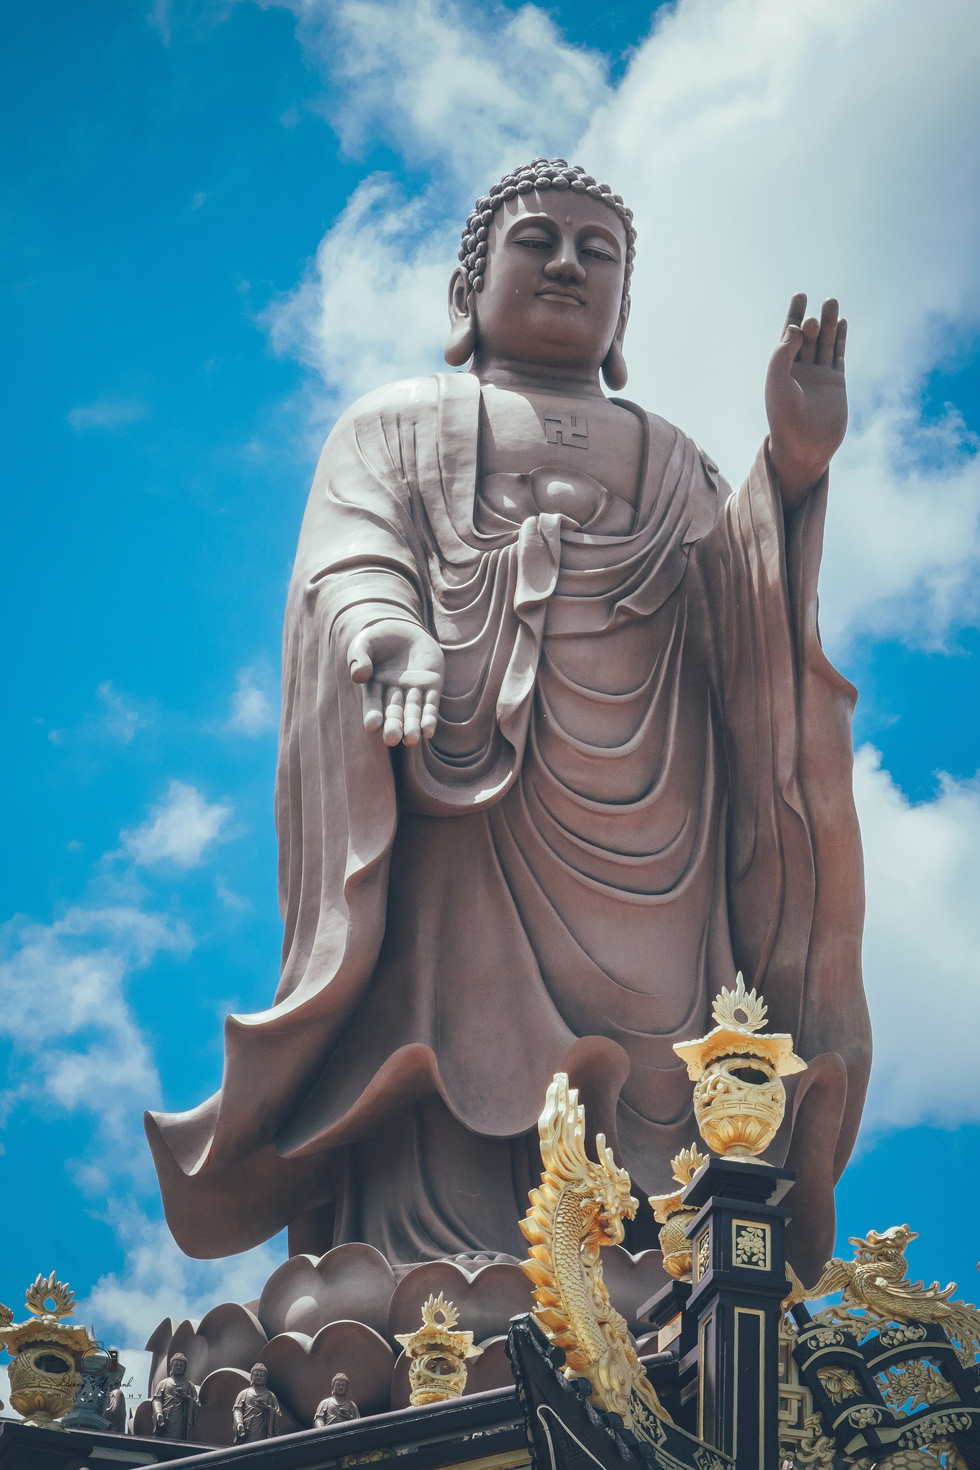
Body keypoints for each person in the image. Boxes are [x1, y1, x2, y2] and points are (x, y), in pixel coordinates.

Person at [146, 157, 869, 1286]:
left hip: (657, 834)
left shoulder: (674, 455)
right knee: (450, 1028)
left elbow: (739, 613)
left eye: (598, 252)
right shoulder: (395, 424)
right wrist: (388, 630)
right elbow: (348, 552)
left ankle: (656, 1269)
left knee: (663, 1057)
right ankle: (430, 1264)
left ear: (623, 307)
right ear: (466, 289)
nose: (569, 264)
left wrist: (790, 467)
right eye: (538, 241)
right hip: (466, 780)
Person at [152, 1352, 199, 1440]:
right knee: (166, 1440)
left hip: (182, 1419)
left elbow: (196, 1404)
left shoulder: (189, 1386)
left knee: (180, 1440)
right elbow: (157, 1400)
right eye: (176, 1365)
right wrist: (159, 1412)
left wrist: (187, 1398)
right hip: (167, 1417)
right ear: (171, 1366)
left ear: (185, 1368)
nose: (178, 1367)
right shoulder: (163, 1383)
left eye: (181, 1365)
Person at [233, 1362, 280, 1442]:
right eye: (256, 1375)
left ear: (265, 1378)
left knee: (262, 1445)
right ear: (252, 1376)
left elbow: (278, 1415)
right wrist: (239, 1423)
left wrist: (269, 1409)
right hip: (247, 1428)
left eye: (261, 1375)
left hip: (263, 1430)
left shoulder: (270, 1396)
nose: (258, 1377)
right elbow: (237, 1410)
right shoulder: (244, 1393)